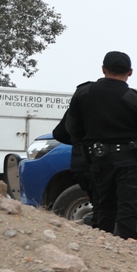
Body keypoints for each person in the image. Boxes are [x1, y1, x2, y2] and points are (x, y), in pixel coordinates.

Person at [64, 51, 137, 239]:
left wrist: (89, 143)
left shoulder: (84, 93)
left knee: (103, 208)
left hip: (97, 160)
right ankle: (124, 249)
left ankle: (105, 250)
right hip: (129, 162)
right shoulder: (135, 98)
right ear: (130, 72)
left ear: (103, 69)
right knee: (127, 210)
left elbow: (72, 128)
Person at [50, 80, 96, 226]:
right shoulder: (113, 106)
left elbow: (59, 133)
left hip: (82, 160)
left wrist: (78, 142)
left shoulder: (78, 106)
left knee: (96, 201)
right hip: (109, 162)